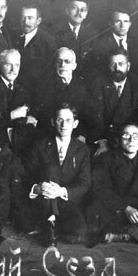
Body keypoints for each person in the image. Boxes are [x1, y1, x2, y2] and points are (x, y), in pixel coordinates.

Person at [84, 124, 138, 246]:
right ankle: (134, 234)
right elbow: (100, 188)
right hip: (116, 208)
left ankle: (122, 236)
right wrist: (125, 208)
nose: (131, 140)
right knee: (94, 211)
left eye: (136, 136)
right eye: (126, 135)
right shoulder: (106, 159)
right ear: (119, 140)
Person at [26, 104, 92, 246]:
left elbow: (84, 182)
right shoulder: (40, 145)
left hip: (66, 200)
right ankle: (50, 223)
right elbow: (28, 175)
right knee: (51, 168)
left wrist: (61, 191)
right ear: (52, 122)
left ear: (75, 124)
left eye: (68, 120)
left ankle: (52, 224)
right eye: (59, 120)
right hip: (44, 200)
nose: (64, 124)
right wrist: (37, 188)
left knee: (78, 233)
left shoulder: (82, 149)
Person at [90, 49, 138, 152]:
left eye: (121, 64)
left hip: (132, 139)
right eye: (113, 64)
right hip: (107, 139)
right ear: (108, 66)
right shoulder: (99, 83)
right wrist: (102, 141)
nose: (117, 68)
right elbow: (96, 116)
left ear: (128, 66)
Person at [31, 47, 99, 142]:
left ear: (74, 66)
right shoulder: (44, 87)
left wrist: (82, 135)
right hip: (49, 137)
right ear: (55, 65)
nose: (62, 65)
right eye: (59, 61)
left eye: (67, 61)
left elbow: (90, 119)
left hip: (75, 138)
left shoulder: (84, 89)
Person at [0, 49, 37, 159]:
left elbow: (32, 111)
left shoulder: (25, 86)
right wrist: (12, 115)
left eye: (17, 65)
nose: (13, 70)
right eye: (8, 64)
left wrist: (29, 117)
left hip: (20, 140)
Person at [53, 0, 97, 79]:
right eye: (74, 8)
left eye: (82, 10)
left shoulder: (91, 33)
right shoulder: (55, 31)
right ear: (67, 11)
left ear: (86, 14)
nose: (78, 13)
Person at [15, 4, 56, 88]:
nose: (26, 22)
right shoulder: (12, 35)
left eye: (30, 18)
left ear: (38, 21)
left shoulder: (48, 42)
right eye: (23, 17)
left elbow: (47, 74)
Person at [91, 9, 136, 78]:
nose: (122, 25)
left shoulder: (137, 42)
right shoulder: (100, 44)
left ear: (130, 24)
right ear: (110, 23)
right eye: (118, 21)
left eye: (125, 21)